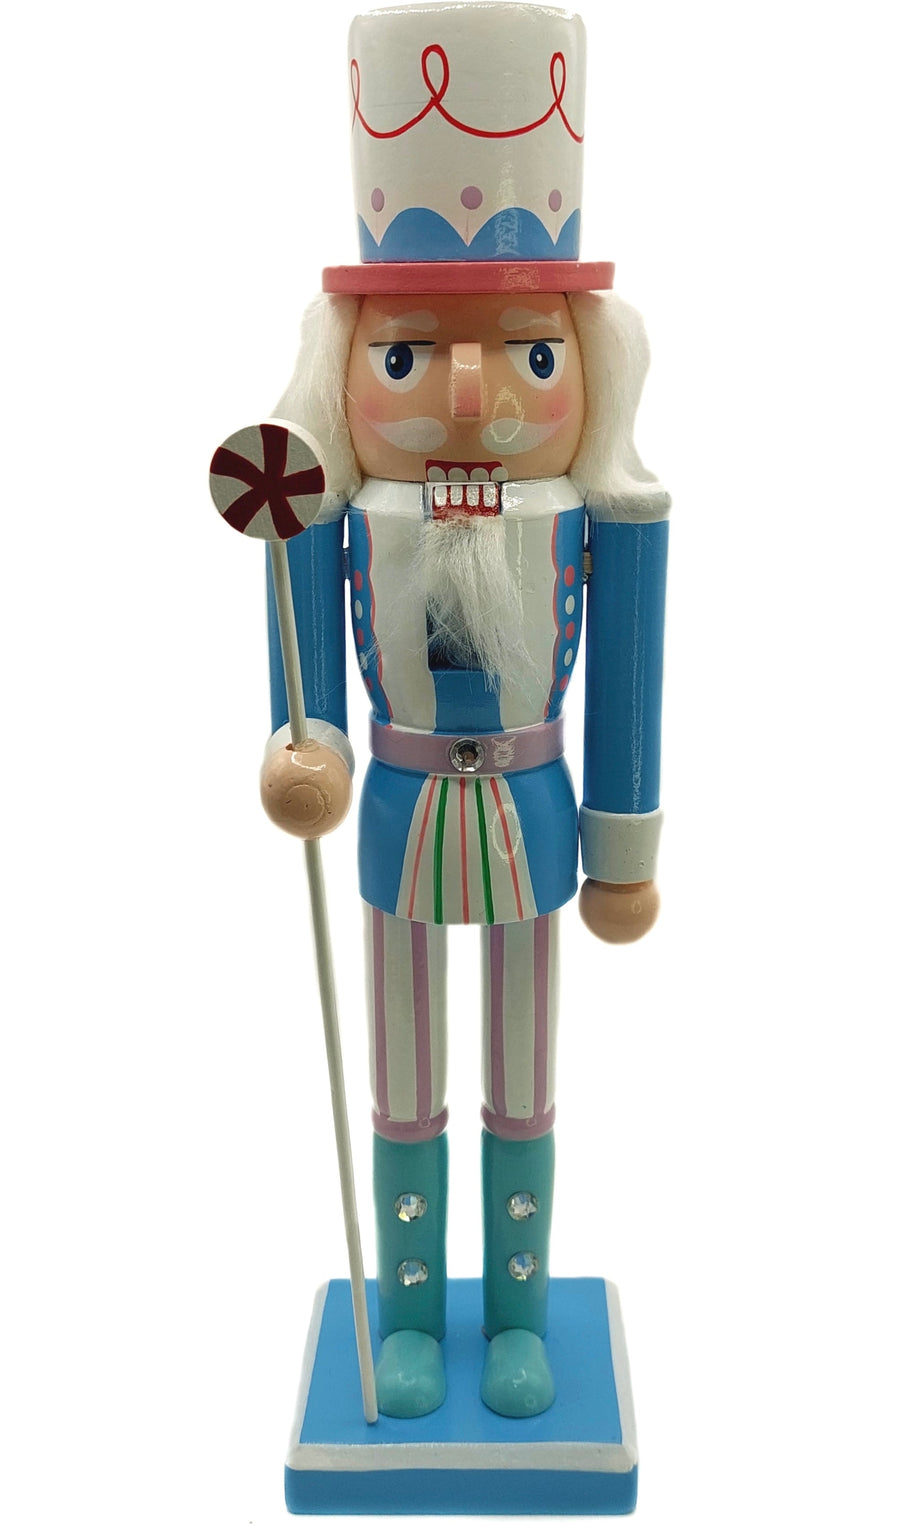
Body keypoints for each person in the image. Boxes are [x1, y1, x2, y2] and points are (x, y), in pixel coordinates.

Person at [256, 3, 668, 1422]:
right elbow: (302, 656)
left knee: (527, 1073)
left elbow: (633, 679)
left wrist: (622, 849)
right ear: (345, 368)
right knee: (404, 1073)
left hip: (536, 815)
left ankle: (518, 1316)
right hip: (398, 810)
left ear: (592, 363)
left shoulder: (599, 516)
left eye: (533, 355)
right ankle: (417, 1313)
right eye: (412, 353)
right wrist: (305, 748)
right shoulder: (337, 510)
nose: (476, 389)